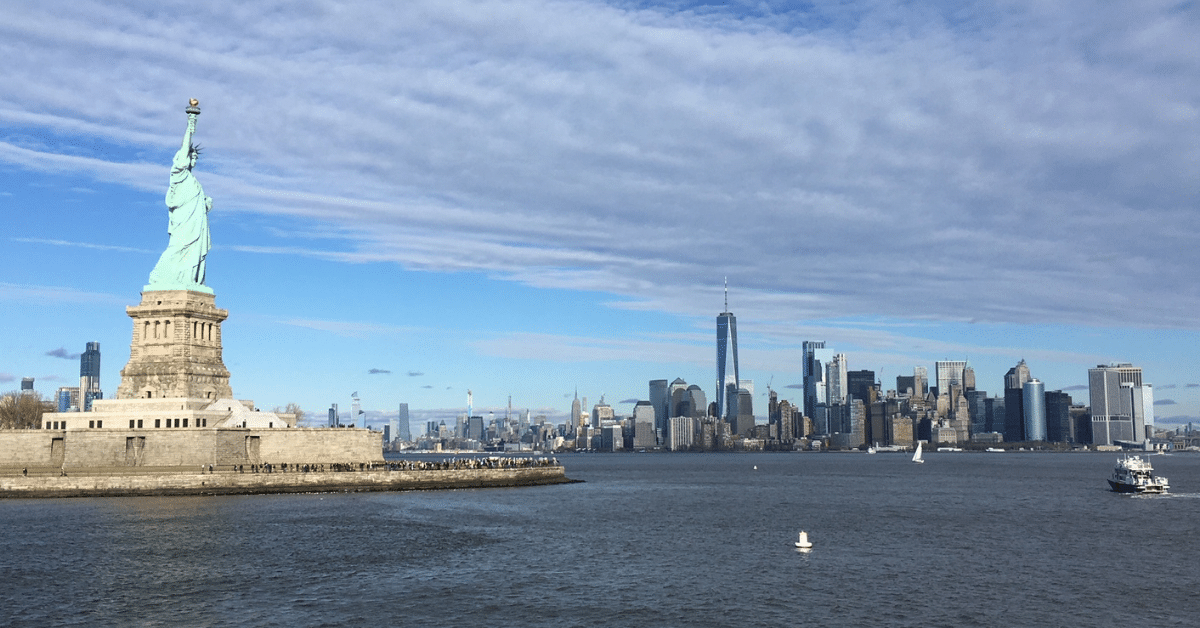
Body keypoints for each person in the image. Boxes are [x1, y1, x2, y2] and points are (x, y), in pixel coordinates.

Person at [146, 100, 213, 292]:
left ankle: (190, 280)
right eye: (192, 156)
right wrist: (191, 124)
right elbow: (185, 147)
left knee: (192, 252)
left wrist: (204, 204)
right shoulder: (179, 173)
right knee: (178, 248)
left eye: (195, 158)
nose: (193, 160)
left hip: (195, 225)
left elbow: (194, 202)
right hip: (184, 225)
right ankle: (159, 277)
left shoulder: (193, 181)